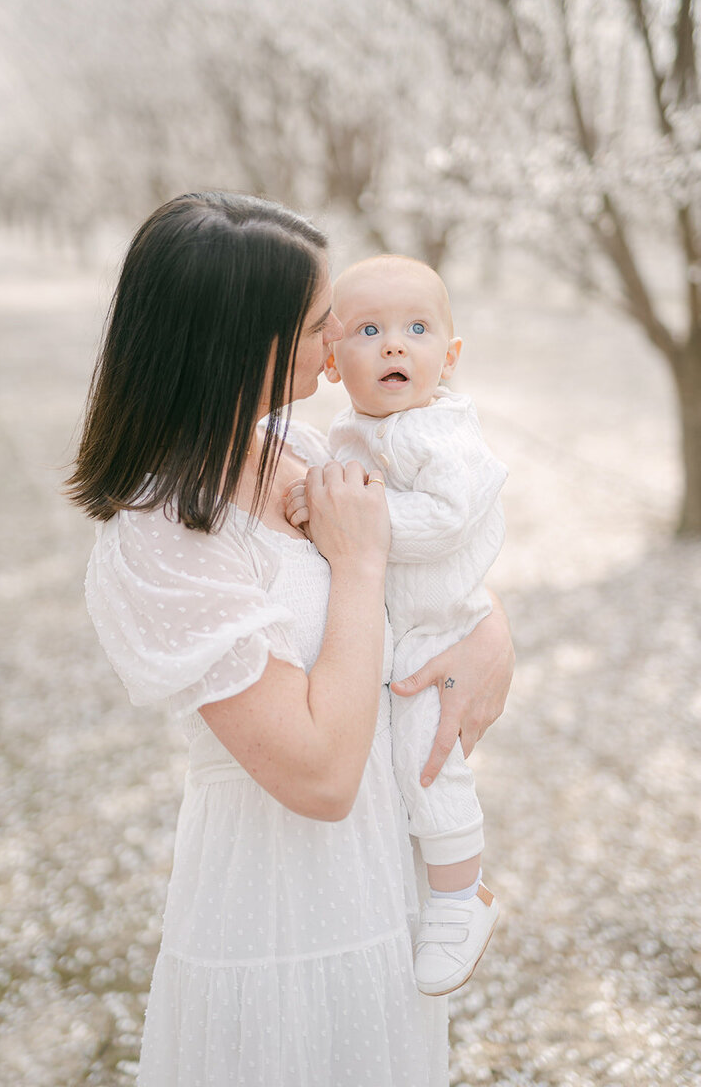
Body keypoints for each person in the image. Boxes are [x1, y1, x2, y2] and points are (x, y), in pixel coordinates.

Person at [67, 193, 513, 1086]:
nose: (340, 339)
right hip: (271, 913)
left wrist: (491, 635)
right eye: (320, 325)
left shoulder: (288, 446)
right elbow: (318, 775)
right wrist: (354, 565)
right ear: (245, 342)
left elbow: (429, 573)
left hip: (378, 885)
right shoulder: (160, 541)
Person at [285, 255, 507, 997]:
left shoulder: (436, 432)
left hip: (432, 628)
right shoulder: (350, 429)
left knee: (425, 751)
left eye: (417, 330)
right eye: (369, 330)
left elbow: (446, 521)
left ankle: (460, 892)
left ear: (448, 358)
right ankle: (431, 880)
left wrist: (345, 519)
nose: (393, 346)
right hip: (394, 624)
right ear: (332, 355)